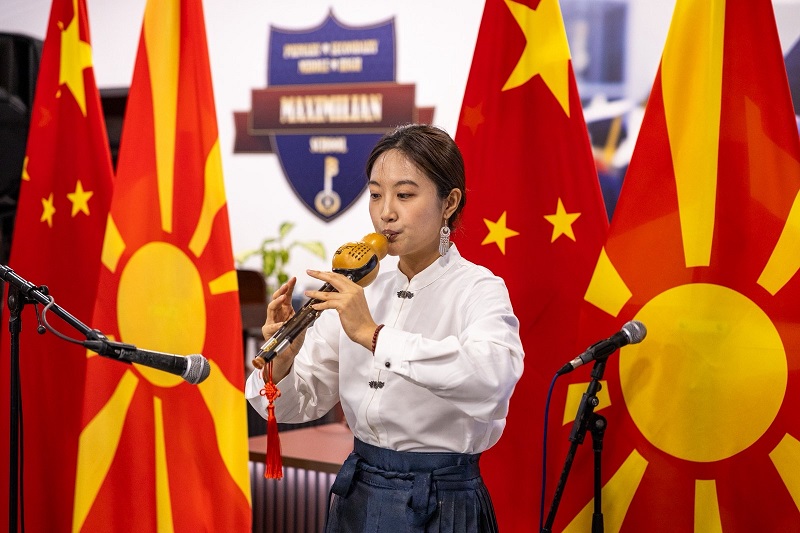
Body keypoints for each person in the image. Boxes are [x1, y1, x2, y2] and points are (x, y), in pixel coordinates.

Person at [246, 124, 524, 532]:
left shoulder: (478, 288)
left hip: (442, 501)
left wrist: (374, 336)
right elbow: (296, 405)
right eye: (376, 195)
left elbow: (493, 379)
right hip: (357, 493)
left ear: (449, 203)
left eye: (404, 195)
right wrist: (285, 361)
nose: (385, 213)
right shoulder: (360, 286)